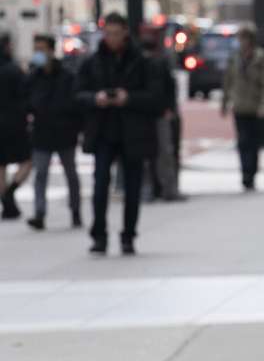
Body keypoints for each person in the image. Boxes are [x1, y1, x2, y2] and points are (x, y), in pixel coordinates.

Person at [75, 13, 167, 255]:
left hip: (132, 132)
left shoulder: (142, 63)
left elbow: (156, 98)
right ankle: (99, 235)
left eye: (116, 33)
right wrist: (96, 98)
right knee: (100, 186)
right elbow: (78, 94)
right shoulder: (93, 62)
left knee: (133, 187)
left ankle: (128, 235)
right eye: (108, 33)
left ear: (125, 33)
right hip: (104, 131)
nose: (112, 38)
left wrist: (129, 98)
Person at [25, 34, 82, 230]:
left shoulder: (67, 76)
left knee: (71, 174)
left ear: (51, 50)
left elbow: (75, 103)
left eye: (41, 49)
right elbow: (26, 102)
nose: (38, 54)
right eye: (36, 49)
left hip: (64, 132)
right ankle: (39, 213)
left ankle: (75, 210)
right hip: (42, 133)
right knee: (40, 174)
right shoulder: (33, 77)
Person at [222, 25, 264, 191]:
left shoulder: (260, 57)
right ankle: (245, 173)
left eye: (244, 38)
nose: (242, 42)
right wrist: (225, 102)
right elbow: (228, 80)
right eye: (240, 38)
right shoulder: (235, 57)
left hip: (255, 105)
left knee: (253, 142)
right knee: (243, 141)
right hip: (239, 105)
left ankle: (251, 172)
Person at [141, 34, 185, 202]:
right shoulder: (159, 63)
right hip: (156, 112)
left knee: (157, 153)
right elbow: (170, 87)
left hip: (152, 113)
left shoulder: (149, 64)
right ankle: (166, 189)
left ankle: (155, 189)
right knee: (164, 153)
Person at [0, 34, 31, 220]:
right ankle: (10, 193)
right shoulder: (14, 70)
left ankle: (6, 203)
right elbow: (25, 95)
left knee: (1, 165)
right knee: (26, 161)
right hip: (15, 122)